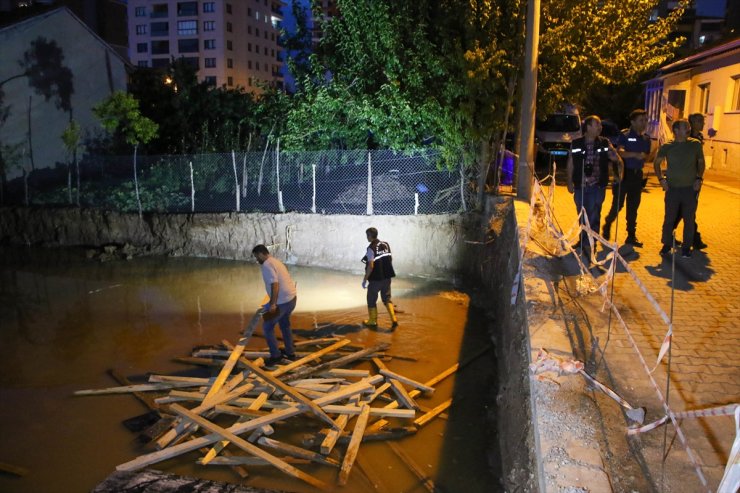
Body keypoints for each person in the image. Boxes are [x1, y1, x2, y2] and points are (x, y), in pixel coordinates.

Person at [566, 115, 623, 256]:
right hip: (580, 185)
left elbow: (617, 159)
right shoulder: (576, 143)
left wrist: (620, 174)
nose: (600, 127)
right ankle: (583, 240)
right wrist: (569, 182)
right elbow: (570, 163)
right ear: (588, 127)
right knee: (582, 213)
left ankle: (591, 244)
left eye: (600, 125)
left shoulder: (604, 143)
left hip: (597, 186)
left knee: (594, 214)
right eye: (597, 124)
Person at [654, 119, 705, 258]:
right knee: (669, 218)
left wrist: (699, 178)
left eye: (688, 126)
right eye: (685, 127)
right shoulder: (667, 146)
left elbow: (701, 162)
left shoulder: (695, 144)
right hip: (672, 189)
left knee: (689, 219)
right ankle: (666, 244)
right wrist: (661, 180)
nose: (688, 128)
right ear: (676, 130)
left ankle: (687, 247)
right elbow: (656, 163)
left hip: (690, 189)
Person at [602, 109, 654, 246]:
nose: (644, 123)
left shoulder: (646, 139)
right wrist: (635, 155)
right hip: (623, 174)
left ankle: (631, 235)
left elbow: (647, 156)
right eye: (641, 120)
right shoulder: (624, 135)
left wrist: (646, 156)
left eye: (645, 120)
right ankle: (608, 223)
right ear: (633, 122)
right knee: (618, 205)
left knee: (633, 207)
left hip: (637, 176)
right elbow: (619, 152)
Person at [252, 244, 297, 367]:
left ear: (261, 254)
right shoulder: (276, 261)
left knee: (267, 327)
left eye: (257, 257)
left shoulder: (267, 265)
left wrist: (272, 304)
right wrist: (268, 304)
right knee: (284, 325)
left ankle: (276, 356)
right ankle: (290, 353)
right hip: (292, 299)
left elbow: (275, 284)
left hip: (282, 302)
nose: (257, 260)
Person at [671, 113, 708, 250]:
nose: (703, 123)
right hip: (688, 179)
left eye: (703, 121)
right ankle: (694, 239)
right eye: (700, 121)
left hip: (695, 178)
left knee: (686, 209)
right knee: (687, 209)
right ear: (692, 123)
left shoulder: (698, 137)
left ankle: (673, 234)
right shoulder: (688, 138)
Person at [361, 227, 398, 329]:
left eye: (367, 235)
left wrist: (365, 279)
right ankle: (394, 319)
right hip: (387, 278)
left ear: (369, 236)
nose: (366, 237)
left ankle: (372, 321)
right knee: (387, 299)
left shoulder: (370, 248)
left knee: (371, 299)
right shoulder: (386, 244)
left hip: (375, 279)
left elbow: (370, 266)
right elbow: (390, 259)